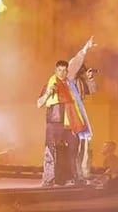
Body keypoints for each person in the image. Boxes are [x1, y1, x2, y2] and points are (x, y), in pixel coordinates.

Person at [36, 36, 96, 187]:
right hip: (55, 123)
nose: (63, 73)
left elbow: (92, 89)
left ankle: (76, 178)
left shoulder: (73, 85)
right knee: (51, 152)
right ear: (56, 71)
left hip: (72, 123)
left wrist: (90, 78)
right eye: (60, 70)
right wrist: (48, 93)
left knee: (75, 151)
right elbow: (39, 103)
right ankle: (49, 180)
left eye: (65, 70)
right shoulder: (51, 84)